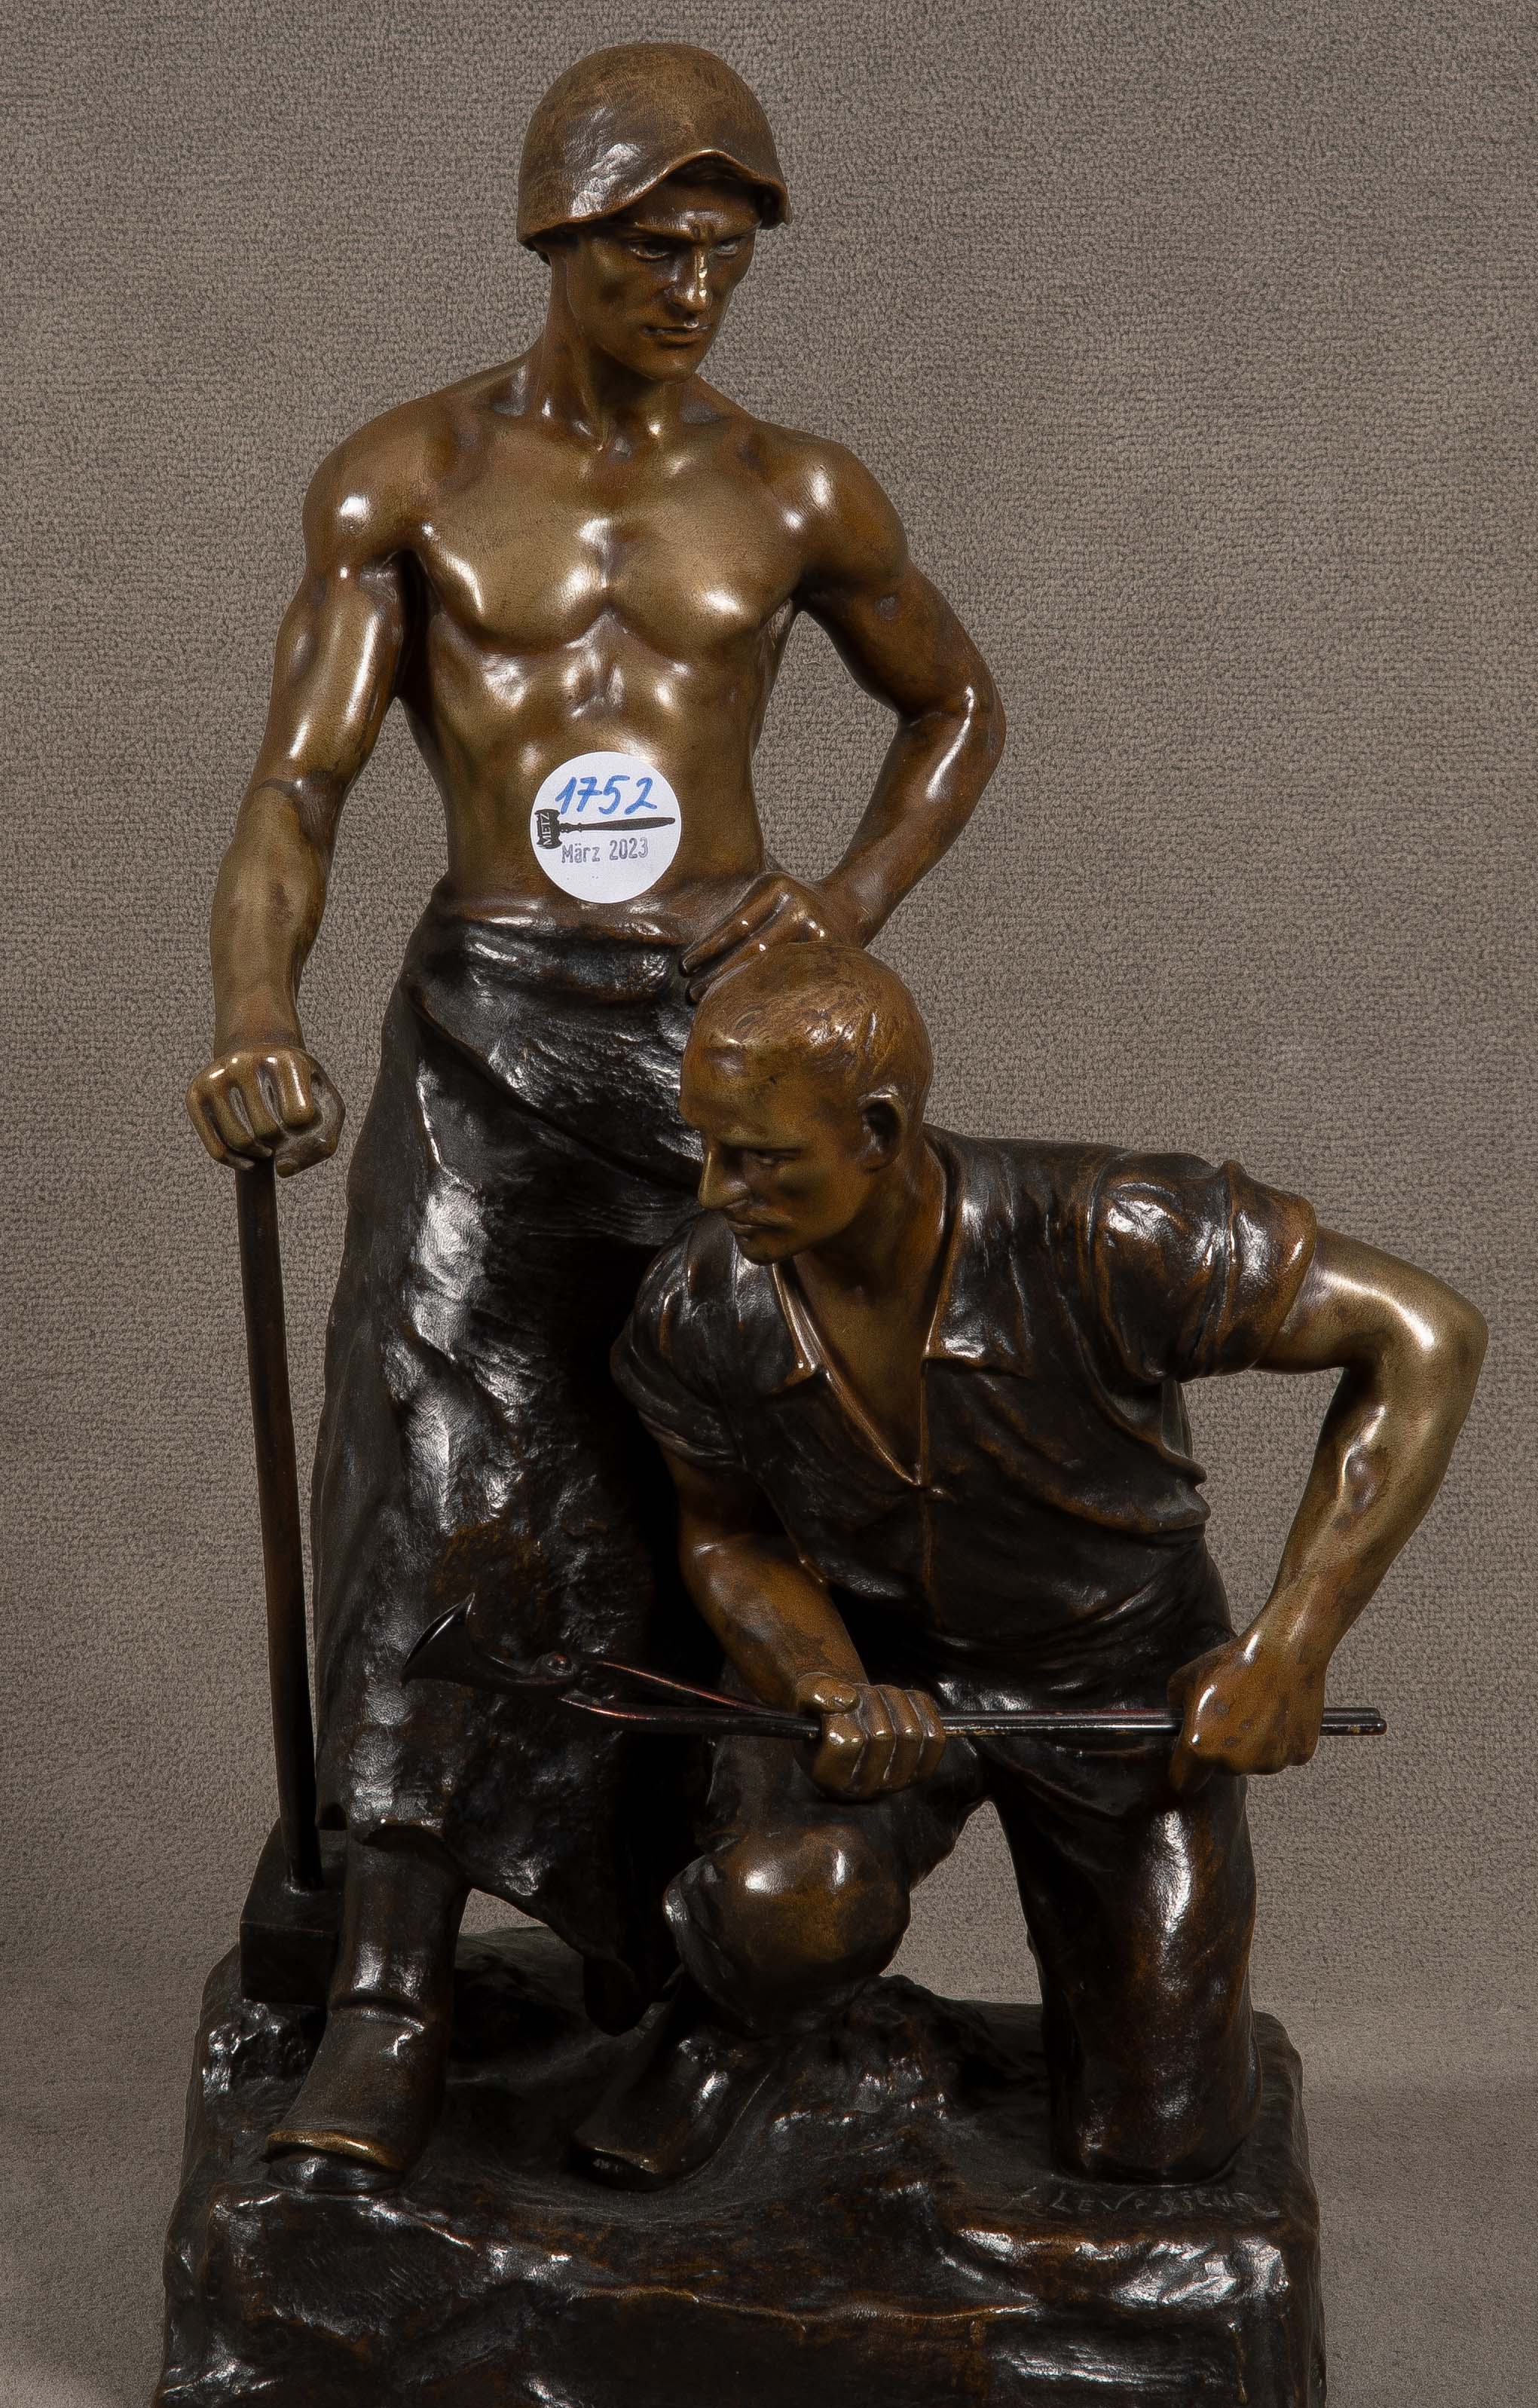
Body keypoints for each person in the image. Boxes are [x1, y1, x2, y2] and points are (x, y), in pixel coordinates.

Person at [184, 42, 1002, 2186]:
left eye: (724, 250)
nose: (693, 286)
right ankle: (386, 1998)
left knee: (753, 1469)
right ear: (561, 233)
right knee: (434, 1484)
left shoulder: (799, 492)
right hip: (489, 1029)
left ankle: (720, 1961)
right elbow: (296, 790)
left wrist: (845, 908)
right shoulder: (408, 480)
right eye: (656, 246)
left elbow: (954, 704)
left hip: (721, 1041)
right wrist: (255, 1007)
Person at [592, 943, 1486, 2188]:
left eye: (759, 1156)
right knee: (789, 1898)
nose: (713, 1188)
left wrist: (1288, 1646)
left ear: (878, 1129)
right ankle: (723, 2023)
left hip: (1119, 1688)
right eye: (706, 1145)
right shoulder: (701, 1301)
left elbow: (1425, 1335)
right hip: (881, 1668)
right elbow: (725, 1533)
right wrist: (825, 1684)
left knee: (1160, 2144)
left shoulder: (1105, 1232)